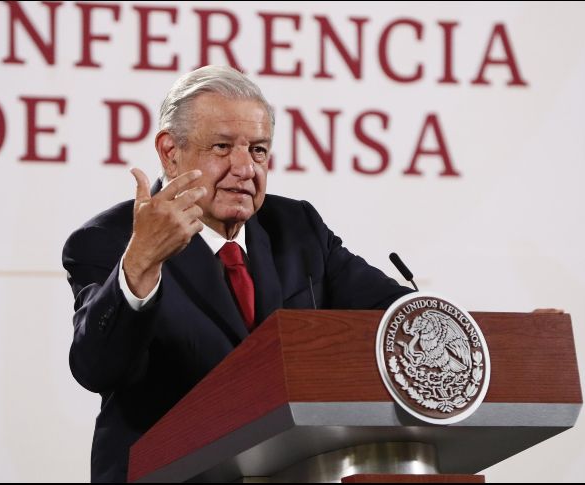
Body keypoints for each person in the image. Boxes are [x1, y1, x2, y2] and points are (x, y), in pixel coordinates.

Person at [62, 65, 413, 482]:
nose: (245, 168)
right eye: (222, 147)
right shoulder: (110, 239)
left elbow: (395, 314)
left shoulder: (296, 227)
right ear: (170, 152)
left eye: (258, 150)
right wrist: (140, 264)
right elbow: (96, 367)